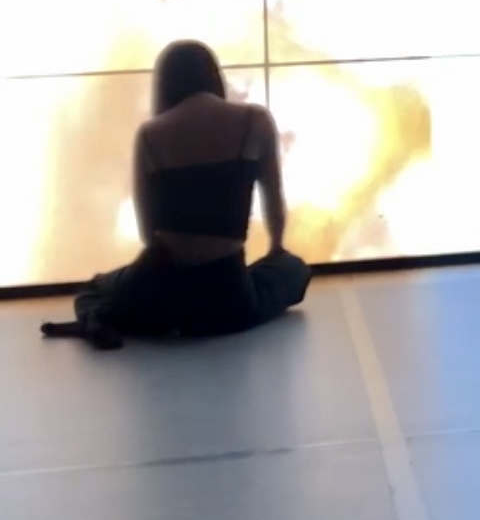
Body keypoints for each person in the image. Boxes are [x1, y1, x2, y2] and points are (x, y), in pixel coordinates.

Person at [41, 41, 311, 350]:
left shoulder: (150, 134)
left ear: (165, 85)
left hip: (159, 294)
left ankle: (98, 321)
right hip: (229, 298)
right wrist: (276, 250)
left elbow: (148, 233)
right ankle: (195, 318)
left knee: (92, 291)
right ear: (213, 76)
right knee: (295, 270)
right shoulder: (255, 120)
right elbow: (274, 201)